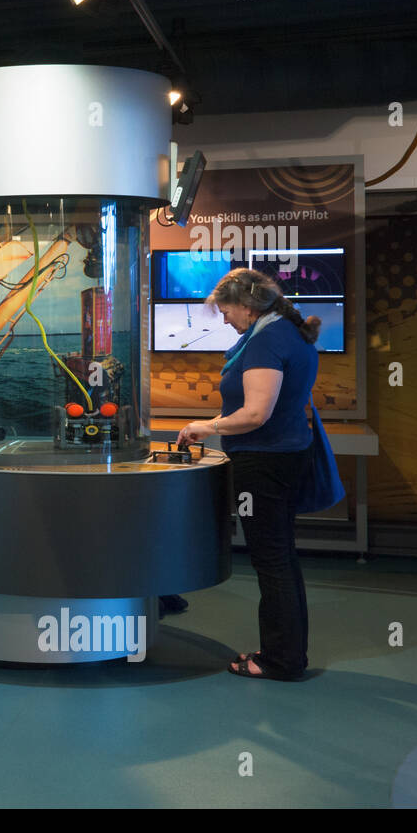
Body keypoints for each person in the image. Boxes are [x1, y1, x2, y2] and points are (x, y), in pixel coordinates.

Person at [177, 268, 322, 681]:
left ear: (246, 305)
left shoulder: (267, 340)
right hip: (284, 456)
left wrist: (210, 427)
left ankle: (280, 660)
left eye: (225, 312)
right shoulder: (284, 331)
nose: (224, 320)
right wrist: (211, 421)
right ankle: (286, 651)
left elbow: (256, 414)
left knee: (271, 560)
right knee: (282, 558)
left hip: (264, 464)